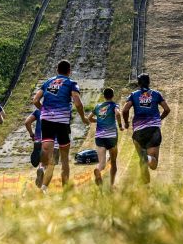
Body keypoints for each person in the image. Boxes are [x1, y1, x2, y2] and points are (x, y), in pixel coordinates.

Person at [32, 60, 88, 192]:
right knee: (64, 158)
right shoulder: (71, 83)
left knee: (47, 149)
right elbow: (78, 103)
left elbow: (35, 100)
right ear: (69, 71)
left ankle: (42, 168)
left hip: (46, 120)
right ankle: (65, 189)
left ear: (57, 70)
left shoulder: (48, 82)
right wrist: (83, 117)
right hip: (62, 121)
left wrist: (44, 110)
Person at [122, 74, 170, 184]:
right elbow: (167, 109)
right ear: (149, 82)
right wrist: (159, 118)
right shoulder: (156, 94)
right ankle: (147, 158)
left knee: (142, 161)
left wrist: (126, 123)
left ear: (138, 84)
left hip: (138, 132)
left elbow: (125, 110)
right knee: (153, 164)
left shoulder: (133, 95)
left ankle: (145, 186)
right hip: (153, 131)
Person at [87, 88, 124, 187]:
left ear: (104, 96)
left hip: (99, 137)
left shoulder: (98, 106)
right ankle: (112, 185)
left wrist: (97, 121)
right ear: (113, 96)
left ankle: (98, 170)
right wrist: (120, 125)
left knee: (102, 163)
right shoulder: (114, 105)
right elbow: (118, 113)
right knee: (113, 161)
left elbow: (89, 118)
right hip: (111, 136)